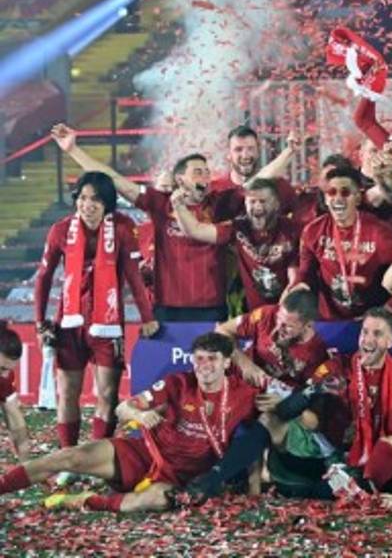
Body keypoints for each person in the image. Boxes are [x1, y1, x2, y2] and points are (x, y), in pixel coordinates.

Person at [0, 332, 259, 513]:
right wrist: (140, 415)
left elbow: (260, 436)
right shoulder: (177, 383)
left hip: (182, 476)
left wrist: (255, 486)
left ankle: (83, 501)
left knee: (156, 501)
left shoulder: (246, 395)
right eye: (199, 358)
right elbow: (123, 408)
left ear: (227, 362)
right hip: (144, 454)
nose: (205, 366)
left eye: (212, 359)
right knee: (68, 456)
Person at [52, 124, 230, 322]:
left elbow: (250, 187)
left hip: (212, 307)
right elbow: (115, 179)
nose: (205, 176)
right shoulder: (160, 204)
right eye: (198, 172)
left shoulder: (221, 203)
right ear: (180, 179)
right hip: (168, 308)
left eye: (207, 172)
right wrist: (73, 150)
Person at [33, 172, 158, 446]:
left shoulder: (123, 227)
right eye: (83, 198)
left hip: (108, 323)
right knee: (68, 392)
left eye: (96, 200)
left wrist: (147, 318)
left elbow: (134, 276)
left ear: (108, 204)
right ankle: (69, 456)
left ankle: (95, 455)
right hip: (69, 323)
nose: (87, 205)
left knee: (108, 395)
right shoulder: (60, 230)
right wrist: (40, 323)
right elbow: (43, 277)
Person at [310, 309, 392, 493]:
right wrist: (322, 389)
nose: (367, 340)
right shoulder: (338, 367)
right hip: (341, 454)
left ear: (390, 342)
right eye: (365, 332)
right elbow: (310, 394)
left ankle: (362, 487)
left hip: (383, 458)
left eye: (377, 334)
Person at [293, 166, 392, 319]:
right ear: (325, 199)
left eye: (345, 193)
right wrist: (298, 289)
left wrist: (386, 310)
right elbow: (305, 274)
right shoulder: (313, 231)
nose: (338, 198)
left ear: (358, 198)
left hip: (370, 320)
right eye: (332, 192)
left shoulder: (380, 233)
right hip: (329, 320)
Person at [172, 177, 299, 309]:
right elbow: (196, 231)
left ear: (276, 204)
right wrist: (178, 205)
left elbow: (298, 275)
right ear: (245, 204)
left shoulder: (294, 229)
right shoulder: (238, 227)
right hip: (254, 314)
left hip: (290, 309)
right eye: (252, 201)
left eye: (263, 201)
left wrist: (285, 308)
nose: (257, 207)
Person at [215, 290, 331, 390]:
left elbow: (307, 392)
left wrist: (282, 397)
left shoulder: (316, 351)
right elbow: (222, 330)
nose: (278, 326)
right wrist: (244, 363)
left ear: (308, 325)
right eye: (278, 318)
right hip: (239, 378)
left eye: (288, 326)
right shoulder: (266, 314)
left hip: (273, 395)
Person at [0, 323, 32, 459]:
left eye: (9, 369)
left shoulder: (5, 378)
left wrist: (26, 464)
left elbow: (15, 419)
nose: (5, 375)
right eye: (2, 368)